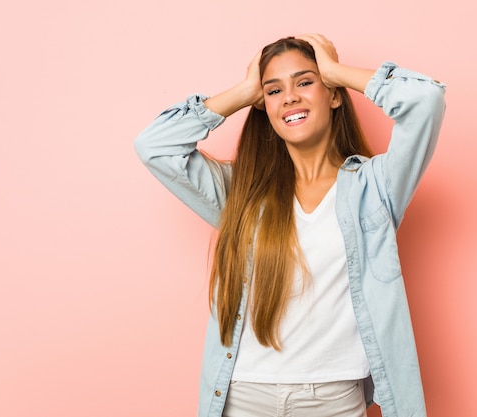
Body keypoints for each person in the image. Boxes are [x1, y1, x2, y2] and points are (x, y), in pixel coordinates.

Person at [135, 34, 445, 417]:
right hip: (244, 396)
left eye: (305, 82)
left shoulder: (374, 187)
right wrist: (244, 91)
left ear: (334, 95)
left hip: (333, 399)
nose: (290, 97)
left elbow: (425, 101)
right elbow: (154, 146)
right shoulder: (242, 193)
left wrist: (335, 71)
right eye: (274, 90)